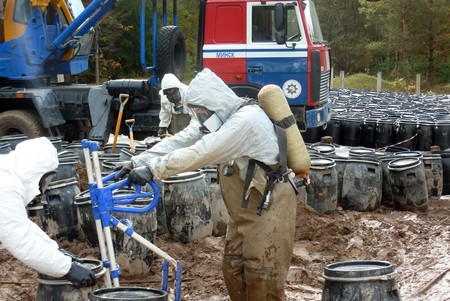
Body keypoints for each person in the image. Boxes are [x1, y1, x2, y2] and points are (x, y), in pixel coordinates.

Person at [116, 68, 300, 300]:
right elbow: (182, 141)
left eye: (202, 113)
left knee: (262, 274)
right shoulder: (221, 117)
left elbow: (202, 152)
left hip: (269, 205)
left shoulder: (245, 122)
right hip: (245, 211)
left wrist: (154, 170)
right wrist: (136, 161)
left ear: (213, 104)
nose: (201, 119)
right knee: (234, 269)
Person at [0, 137, 96, 288]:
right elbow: (19, 238)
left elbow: (24, 226)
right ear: (36, 170)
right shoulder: (6, 186)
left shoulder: (8, 172)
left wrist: (55, 251)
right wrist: (67, 268)